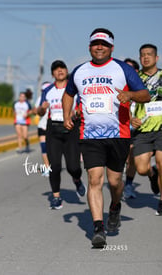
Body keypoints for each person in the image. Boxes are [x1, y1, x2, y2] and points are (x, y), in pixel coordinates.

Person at [62, 28, 150, 248]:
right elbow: (68, 93)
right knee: (94, 180)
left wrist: (130, 94)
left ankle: (115, 206)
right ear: (89, 47)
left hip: (118, 134)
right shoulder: (80, 71)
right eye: (95, 44)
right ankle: (98, 228)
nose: (98, 47)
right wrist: (66, 115)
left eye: (103, 44)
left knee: (114, 182)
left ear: (111, 47)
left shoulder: (123, 69)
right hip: (89, 135)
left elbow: (145, 95)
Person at [37, 60, 85, 210]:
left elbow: (81, 106)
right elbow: (40, 112)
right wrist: (42, 109)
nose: (60, 71)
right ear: (52, 74)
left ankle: (77, 179)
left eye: (62, 68)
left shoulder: (74, 89)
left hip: (71, 129)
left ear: (66, 71)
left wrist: (76, 112)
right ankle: (56, 197)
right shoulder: (48, 90)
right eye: (56, 69)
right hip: (54, 129)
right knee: (54, 166)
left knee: (73, 167)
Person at [131, 43, 162, 215]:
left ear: (156, 58)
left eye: (149, 54)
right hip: (143, 129)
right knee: (141, 169)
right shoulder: (134, 78)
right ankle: (152, 174)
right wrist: (131, 119)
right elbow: (125, 102)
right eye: (142, 54)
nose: (146, 57)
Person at [123, 58, 140, 199]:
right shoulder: (117, 85)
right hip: (120, 128)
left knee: (132, 157)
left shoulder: (142, 88)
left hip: (137, 129)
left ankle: (128, 185)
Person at [35, 81, 52, 177]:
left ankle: (52, 164)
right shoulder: (40, 99)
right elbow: (37, 110)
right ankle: (46, 167)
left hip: (53, 126)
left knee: (52, 149)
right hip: (42, 125)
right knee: (44, 147)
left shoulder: (56, 97)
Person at [13, 89, 35, 153]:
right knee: (19, 135)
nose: (22, 98)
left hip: (25, 121)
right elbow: (13, 110)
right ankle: (20, 149)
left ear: (25, 97)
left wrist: (27, 114)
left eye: (23, 97)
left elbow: (31, 111)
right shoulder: (16, 103)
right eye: (20, 96)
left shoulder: (27, 103)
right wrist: (15, 114)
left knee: (25, 136)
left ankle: (27, 145)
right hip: (17, 121)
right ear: (19, 97)